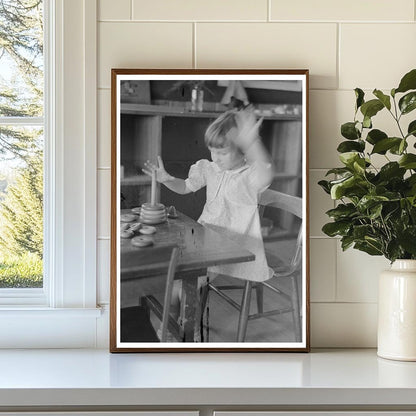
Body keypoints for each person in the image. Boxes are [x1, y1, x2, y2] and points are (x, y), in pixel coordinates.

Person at [143, 108, 274, 340]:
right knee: (174, 273)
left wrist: (251, 141)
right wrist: (168, 180)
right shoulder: (210, 168)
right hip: (207, 237)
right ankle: (174, 326)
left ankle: (184, 331)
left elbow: (265, 176)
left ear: (243, 151)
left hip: (235, 245)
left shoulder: (250, 175)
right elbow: (185, 187)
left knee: (182, 282)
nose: (215, 157)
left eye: (222, 152)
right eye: (212, 151)